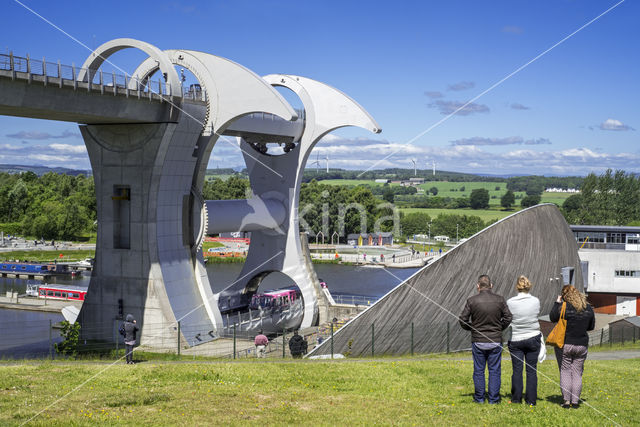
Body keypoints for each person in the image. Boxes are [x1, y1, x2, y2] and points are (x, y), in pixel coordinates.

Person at [459, 274, 512, 404]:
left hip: (478, 341)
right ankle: (493, 399)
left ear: (478, 286)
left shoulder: (471, 301)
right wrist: (499, 328)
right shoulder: (500, 300)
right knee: (494, 371)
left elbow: (462, 320)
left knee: (479, 371)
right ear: (491, 286)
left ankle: (479, 398)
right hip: (495, 340)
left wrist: (472, 328)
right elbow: (508, 318)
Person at [550, 285, 595, 409]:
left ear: (564, 296)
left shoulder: (563, 307)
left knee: (565, 371)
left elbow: (552, 317)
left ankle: (566, 401)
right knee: (577, 373)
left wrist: (557, 302)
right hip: (581, 344)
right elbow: (591, 327)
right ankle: (575, 402)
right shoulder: (588, 308)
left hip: (565, 344)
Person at [506, 275, 542, 406]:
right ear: (529, 286)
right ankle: (531, 400)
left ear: (517, 287)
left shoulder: (510, 302)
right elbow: (536, 314)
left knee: (517, 370)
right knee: (531, 370)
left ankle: (516, 398)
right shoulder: (536, 301)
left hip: (516, 338)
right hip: (533, 336)